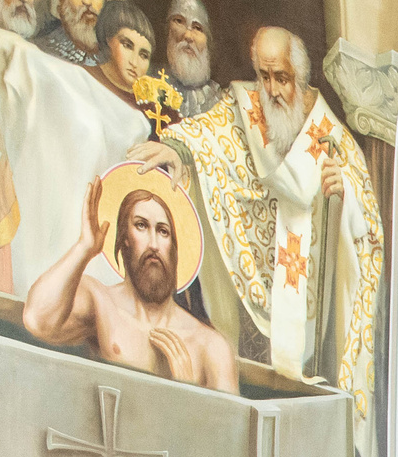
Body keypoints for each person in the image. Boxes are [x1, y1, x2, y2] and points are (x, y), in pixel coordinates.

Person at [165, 26, 381, 455]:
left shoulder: (329, 132)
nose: (272, 90)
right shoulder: (243, 105)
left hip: (307, 311)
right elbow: (206, 137)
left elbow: (368, 230)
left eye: (281, 78)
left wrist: (344, 196)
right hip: (247, 295)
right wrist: (177, 151)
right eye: (264, 77)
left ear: (300, 78)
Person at [21, 159, 239, 390]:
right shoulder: (101, 302)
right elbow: (38, 320)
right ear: (124, 238)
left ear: (174, 247)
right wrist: (84, 248)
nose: (153, 244)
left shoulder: (210, 346)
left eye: (163, 231)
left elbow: (229, 425)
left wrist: (186, 392)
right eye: (141, 226)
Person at [164, 0, 221, 119]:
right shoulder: (150, 83)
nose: (188, 36)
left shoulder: (220, 99)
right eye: (179, 21)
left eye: (197, 28)